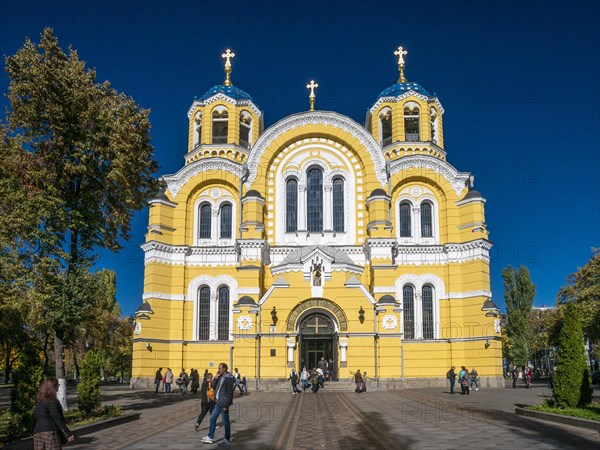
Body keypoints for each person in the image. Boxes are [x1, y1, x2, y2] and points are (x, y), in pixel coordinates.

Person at [33, 377, 74, 450]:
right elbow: (58, 419)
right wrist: (67, 434)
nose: (58, 387)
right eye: (57, 385)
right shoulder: (52, 401)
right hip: (50, 433)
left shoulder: (39, 401)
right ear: (52, 387)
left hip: (37, 434)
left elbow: (36, 416)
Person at [201, 363, 234, 446]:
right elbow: (213, 385)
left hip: (223, 404)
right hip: (218, 402)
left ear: (225, 369)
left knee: (226, 422)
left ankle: (227, 439)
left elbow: (230, 393)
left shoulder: (229, 379)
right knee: (212, 418)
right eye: (218, 368)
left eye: (220, 368)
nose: (219, 370)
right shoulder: (220, 377)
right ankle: (210, 437)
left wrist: (226, 405)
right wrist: (216, 377)